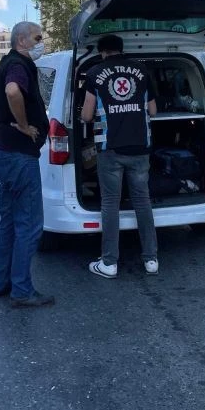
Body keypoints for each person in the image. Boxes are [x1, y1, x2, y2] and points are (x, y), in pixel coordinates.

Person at [81, 34, 158, 279]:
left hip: (110, 150)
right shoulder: (142, 70)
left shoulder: (94, 73)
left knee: (110, 204)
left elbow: (86, 115)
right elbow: (153, 111)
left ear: (103, 52)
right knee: (142, 202)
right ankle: (151, 259)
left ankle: (109, 263)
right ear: (120, 50)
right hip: (140, 148)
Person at [0, 21, 53, 308]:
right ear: (22, 40)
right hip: (19, 156)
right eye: (38, 37)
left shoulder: (3, 64)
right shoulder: (18, 65)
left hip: (2, 151)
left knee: (10, 221)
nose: (43, 41)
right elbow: (13, 92)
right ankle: (22, 291)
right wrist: (25, 126)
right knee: (29, 224)